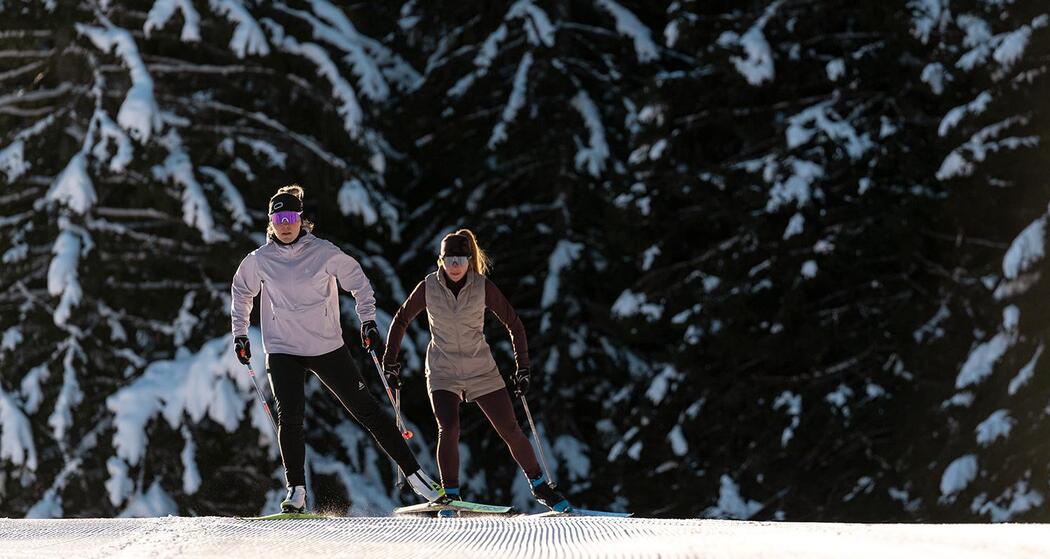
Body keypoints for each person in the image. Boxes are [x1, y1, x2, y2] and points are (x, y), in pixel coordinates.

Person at [230, 184, 441, 513]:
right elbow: (242, 294)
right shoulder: (259, 260)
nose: (285, 223)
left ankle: (417, 477)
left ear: (301, 219)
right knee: (291, 416)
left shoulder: (324, 252)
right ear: (271, 222)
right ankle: (296, 490)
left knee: (367, 410)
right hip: (283, 348)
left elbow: (358, 282)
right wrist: (240, 334)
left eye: (291, 216)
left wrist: (368, 321)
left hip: (326, 346)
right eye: (278, 217)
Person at [382, 229, 570, 512]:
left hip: (481, 368)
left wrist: (524, 368)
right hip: (442, 369)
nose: (455, 265)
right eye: (449, 259)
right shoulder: (428, 287)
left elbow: (514, 323)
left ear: (469, 260)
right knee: (449, 428)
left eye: (460, 259)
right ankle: (451, 496)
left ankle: (541, 486)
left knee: (509, 428)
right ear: (441, 261)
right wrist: (390, 362)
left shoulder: (482, 286)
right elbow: (400, 321)